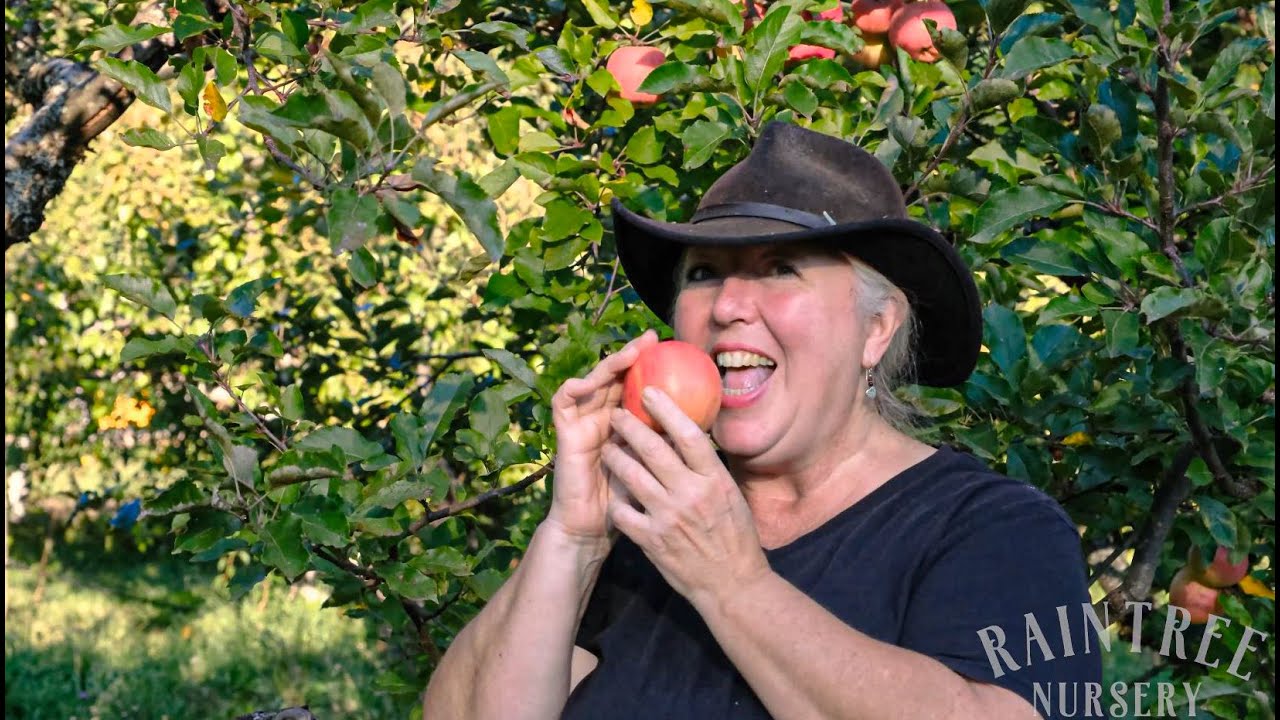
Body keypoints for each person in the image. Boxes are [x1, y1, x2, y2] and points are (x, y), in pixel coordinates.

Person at [423, 122, 1102, 719]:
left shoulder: (991, 530)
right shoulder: (644, 527)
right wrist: (573, 536)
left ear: (876, 329)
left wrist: (732, 584)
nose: (728, 307)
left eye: (780, 269)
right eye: (705, 274)